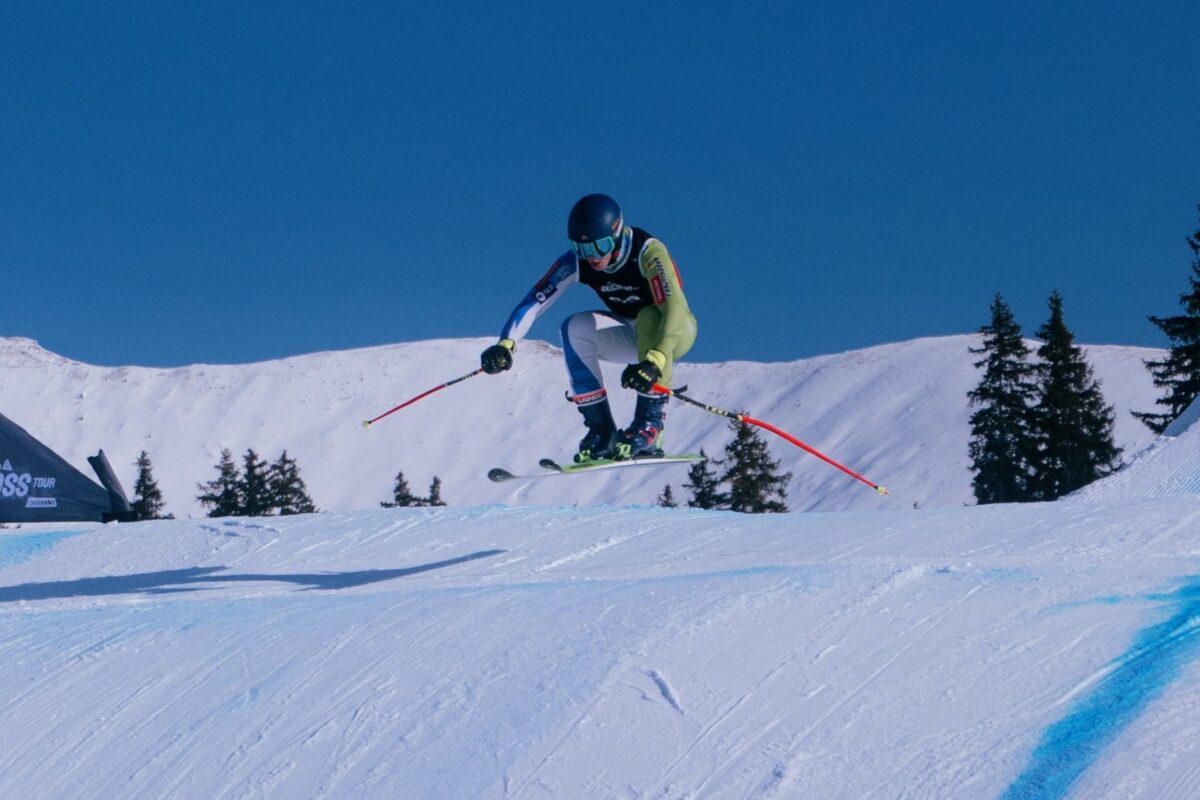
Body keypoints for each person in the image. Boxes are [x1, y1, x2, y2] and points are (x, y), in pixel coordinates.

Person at [480, 193, 697, 462]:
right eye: (582, 249)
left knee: (649, 315)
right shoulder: (577, 261)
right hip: (631, 333)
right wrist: (505, 344)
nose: (592, 257)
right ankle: (602, 432)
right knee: (574, 328)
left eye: (599, 247)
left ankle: (650, 427)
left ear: (616, 232)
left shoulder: (647, 251)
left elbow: (674, 308)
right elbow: (535, 301)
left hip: (673, 332)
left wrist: (656, 359)